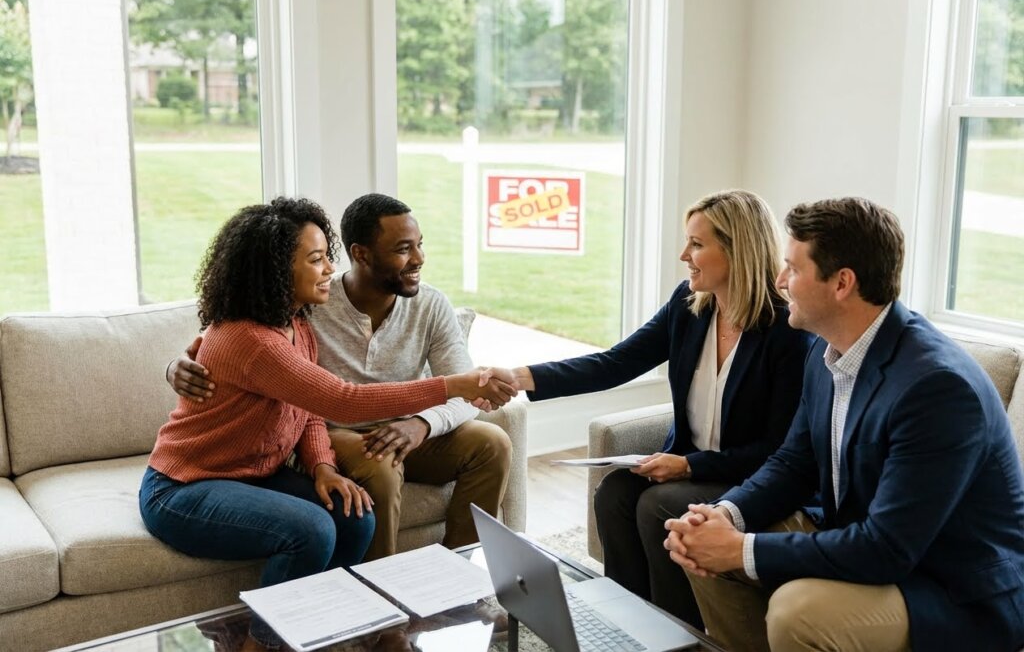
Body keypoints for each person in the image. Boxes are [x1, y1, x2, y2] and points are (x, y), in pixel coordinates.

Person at [141, 197, 514, 650]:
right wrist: (453, 384)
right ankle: (260, 643)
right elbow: (341, 399)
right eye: (315, 259)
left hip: (258, 477)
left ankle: (329, 627)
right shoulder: (253, 340)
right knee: (312, 529)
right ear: (278, 270)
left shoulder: (295, 324)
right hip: (184, 486)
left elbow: (308, 411)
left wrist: (322, 467)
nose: (327, 269)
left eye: (326, 256)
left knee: (355, 518)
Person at [665, 197, 1024, 652]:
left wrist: (740, 549)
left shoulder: (936, 389)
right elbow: (794, 462)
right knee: (700, 541)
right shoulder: (824, 349)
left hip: (948, 589)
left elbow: (887, 549)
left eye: (792, 269)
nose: (779, 281)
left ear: (842, 283)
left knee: (798, 611)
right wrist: (724, 515)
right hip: (863, 541)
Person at [484, 189, 813, 627]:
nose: (684, 254)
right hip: (692, 467)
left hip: (747, 477)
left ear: (738, 249)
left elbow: (778, 449)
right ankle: (628, 624)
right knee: (616, 492)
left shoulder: (786, 332)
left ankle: (680, 632)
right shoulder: (689, 306)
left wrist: (687, 467)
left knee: (658, 505)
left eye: (697, 244)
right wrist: (523, 376)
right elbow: (617, 362)